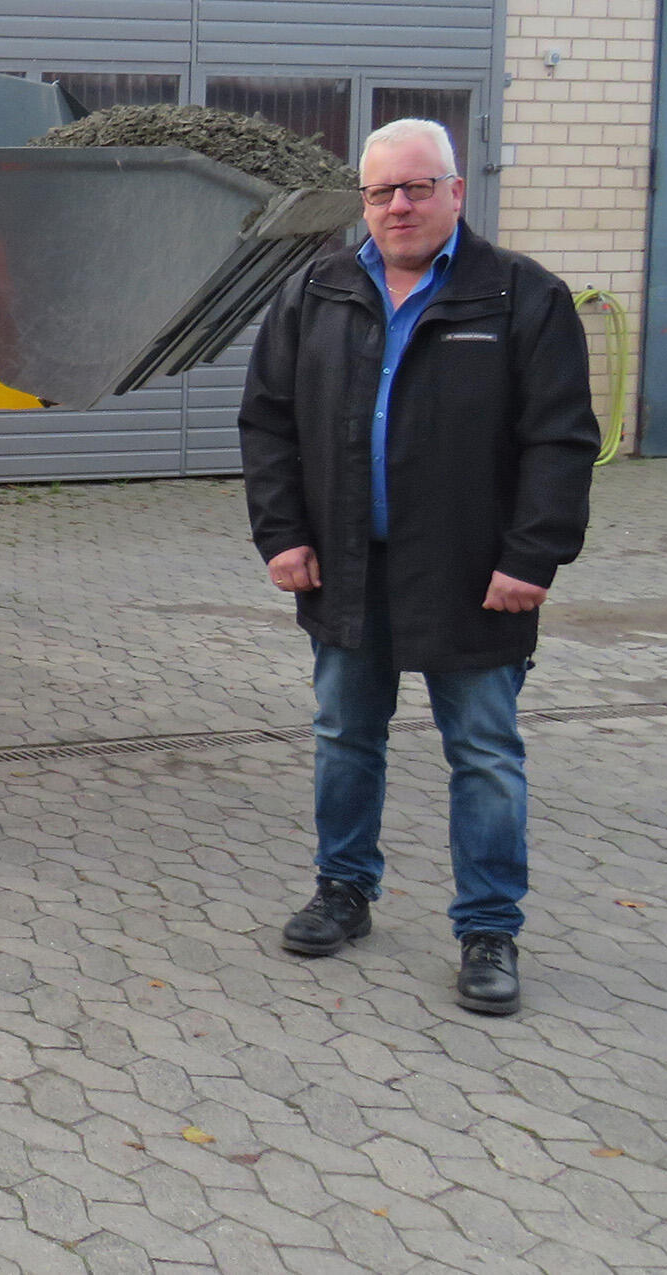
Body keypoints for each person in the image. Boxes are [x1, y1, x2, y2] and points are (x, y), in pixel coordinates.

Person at [240, 119, 598, 1017]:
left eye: (416, 187)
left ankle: (488, 929)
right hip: (344, 565)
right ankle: (343, 891)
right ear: (361, 201)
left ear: (456, 190)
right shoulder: (316, 290)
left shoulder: (522, 295)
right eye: (379, 191)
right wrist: (281, 534)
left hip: (478, 574)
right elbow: (268, 421)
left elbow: (560, 439)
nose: (397, 205)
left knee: (482, 751)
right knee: (344, 735)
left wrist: (533, 555)